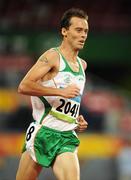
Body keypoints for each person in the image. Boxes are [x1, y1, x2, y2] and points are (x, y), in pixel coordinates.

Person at [16, 7, 89, 180]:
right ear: (64, 31)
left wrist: (76, 118)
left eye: (86, 31)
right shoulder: (52, 56)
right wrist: (60, 92)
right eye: (78, 30)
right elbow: (24, 86)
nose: (83, 35)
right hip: (43, 132)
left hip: (66, 136)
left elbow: (70, 102)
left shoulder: (82, 65)